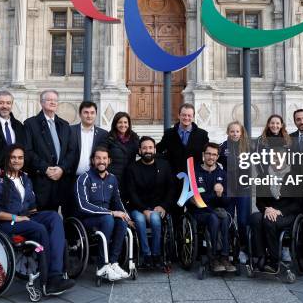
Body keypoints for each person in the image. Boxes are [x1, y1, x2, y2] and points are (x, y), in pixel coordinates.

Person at [0, 145, 75, 295]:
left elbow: (31, 205)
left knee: (54, 218)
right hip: (2, 223)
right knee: (39, 229)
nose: (17, 161)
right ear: (7, 159)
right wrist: (16, 217)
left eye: (20, 157)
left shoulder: (25, 178)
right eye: (13, 157)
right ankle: (48, 281)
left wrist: (32, 215)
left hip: (24, 218)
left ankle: (56, 273)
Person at [75, 147, 131, 282]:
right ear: (93, 160)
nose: (101, 161)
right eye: (98, 158)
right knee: (109, 219)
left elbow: (117, 201)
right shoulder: (84, 178)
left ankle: (113, 262)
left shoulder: (112, 179)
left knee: (121, 220)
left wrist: (126, 216)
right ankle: (102, 266)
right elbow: (83, 206)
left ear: (109, 161)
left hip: (106, 217)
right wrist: (111, 212)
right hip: (88, 219)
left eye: (104, 158)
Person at [125, 136, 175, 270]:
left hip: (157, 206)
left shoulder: (164, 166)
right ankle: (146, 254)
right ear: (140, 151)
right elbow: (131, 192)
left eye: (150, 147)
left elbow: (171, 188)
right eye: (144, 148)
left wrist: (164, 206)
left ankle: (157, 254)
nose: (148, 150)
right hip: (137, 206)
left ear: (155, 149)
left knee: (154, 218)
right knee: (140, 220)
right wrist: (143, 209)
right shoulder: (132, 168)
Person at [157, 103, 209, 226]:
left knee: (196, 211)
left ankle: (196, 242)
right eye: (184, 115)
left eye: (189, 115)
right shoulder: (169, 133)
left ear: (193, 117)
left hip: (194, 180)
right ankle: (177, 242)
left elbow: (208, 154)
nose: (186, 118)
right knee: (176, 212)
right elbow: (159, 150)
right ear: (179, 116)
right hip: (175, 179)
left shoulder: (202, 134)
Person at [249, 150, 301, 273]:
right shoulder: (262, 176)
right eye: (274, 158)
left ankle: (274, 260)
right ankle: (261, 256)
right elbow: (259, 201)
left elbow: (298, 203)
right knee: (255, 218)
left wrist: (279, 211)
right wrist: (267, 209)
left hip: (287, 212)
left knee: (269, 222)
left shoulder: (294, 176)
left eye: (279, 158)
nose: (276, 161)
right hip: (269, 210)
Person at [188, 143, 235, 273]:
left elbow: (227, 201)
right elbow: (187, 197)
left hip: (217, 210)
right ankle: (213, 257)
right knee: (214, 218)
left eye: (214, 154)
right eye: (208, 153)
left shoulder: (223, 174)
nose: (211, 157)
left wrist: (220, 195)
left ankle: (225, 257)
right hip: (200, 212)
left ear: (218, 157)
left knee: (224, 218)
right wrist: (192, 200)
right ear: (203, 155)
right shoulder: (194, 173)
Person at [24, 89, 72, 211]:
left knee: (56, 218)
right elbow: (28, 151)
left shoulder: (64, 125)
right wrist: (45, 168)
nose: (53, 102)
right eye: (49, 100)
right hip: (41, 181)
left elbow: (71, 152)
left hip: (61, 181)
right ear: (41, 102)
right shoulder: (31, 124)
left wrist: (62, 168)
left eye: (55, 100)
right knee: (40, 219)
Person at [62, 101, 107, 217]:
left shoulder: (103, 134)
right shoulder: (70, 131)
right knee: (70, 211)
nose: (89, 115)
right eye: (86, 112)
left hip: (93, 179)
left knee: (89, 211)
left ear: (96, 114)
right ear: (80, 114)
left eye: (92, 113)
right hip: (72, 178)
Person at [219, 121, 252, 263]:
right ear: (228, 132)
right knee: (229, 219)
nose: (235, 134)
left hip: (243, 189)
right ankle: (231, 248)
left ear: (241, 133)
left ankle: (244, 249)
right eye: (232, 131)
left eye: (237, 131)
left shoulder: (248, 147)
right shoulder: (223, 147)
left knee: (243, 221)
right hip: (228, 189)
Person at [105, 112, 139, 199]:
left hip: (129, 177)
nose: (123, 125)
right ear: (115, 124)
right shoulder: (109, 138)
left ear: (129, 124)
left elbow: (142, 151)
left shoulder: (134, 138)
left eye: (125, 122)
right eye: (120, 122)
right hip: (113, 177)